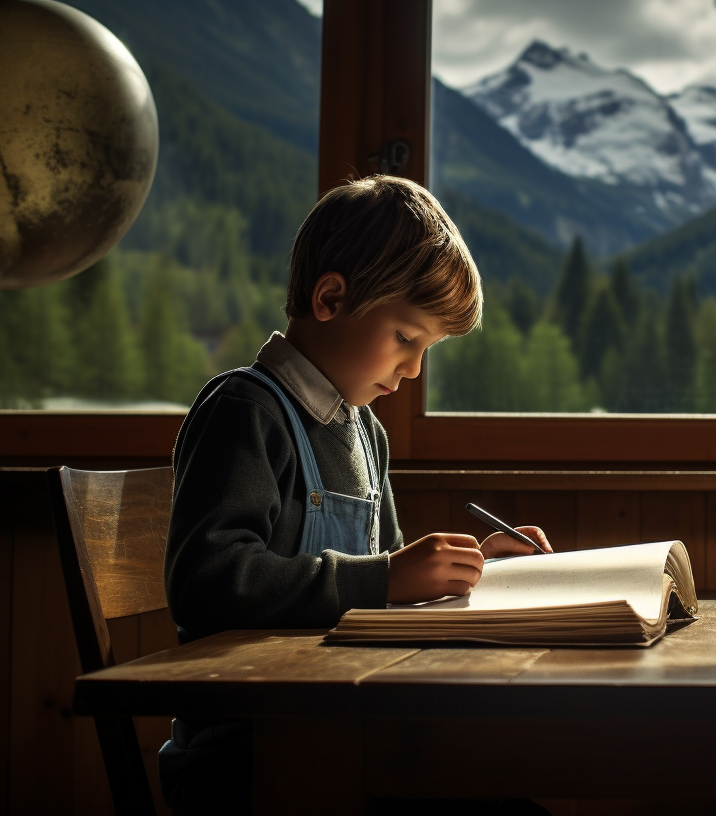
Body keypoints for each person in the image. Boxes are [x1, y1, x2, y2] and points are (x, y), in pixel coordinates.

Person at [158, 175, 552, 815]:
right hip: (253, 754)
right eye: (406, 338)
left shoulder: (364, 432)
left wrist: (474, 569)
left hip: (352, 725)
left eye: (426, 349)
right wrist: (385, 581)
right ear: (331, 299)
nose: (414, 368)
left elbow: (391, 586)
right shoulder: (246, 411)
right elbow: (205, 580)